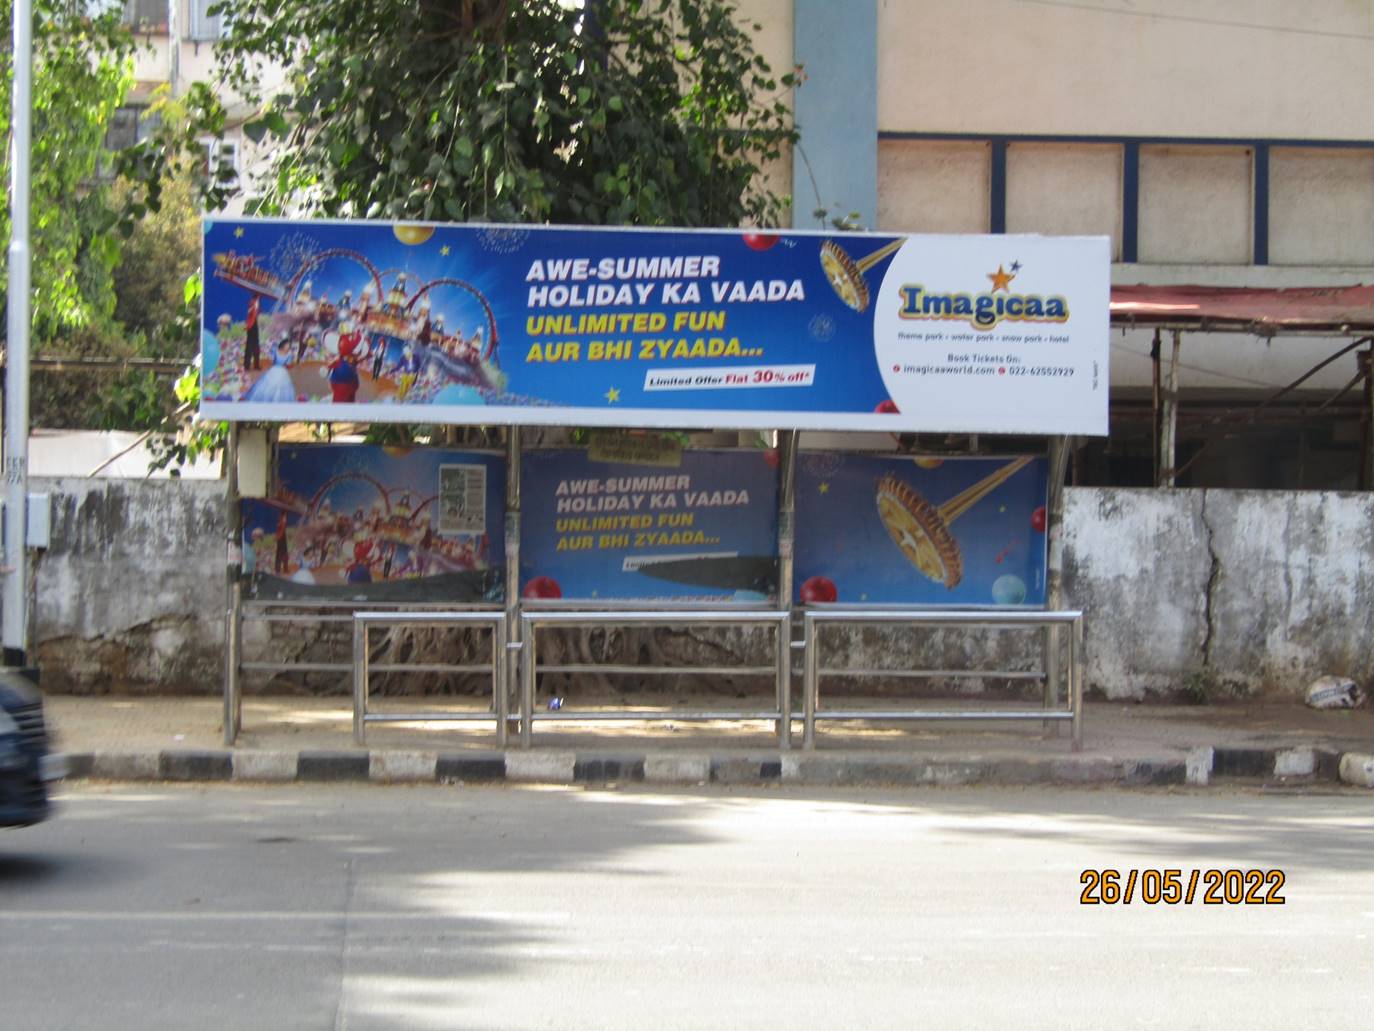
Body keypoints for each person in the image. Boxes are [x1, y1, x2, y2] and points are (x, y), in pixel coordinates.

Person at [243, 295, 261, 370]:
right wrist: (254, 308)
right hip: (251, 325)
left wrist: (257, 309)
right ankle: (247, 365)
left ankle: (256, 365)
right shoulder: (252, 303)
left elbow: (257, 312)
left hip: (254, 324)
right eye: (258, 297)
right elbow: (250, 312)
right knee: (249, 346)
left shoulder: (257, 304)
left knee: (256, 346)